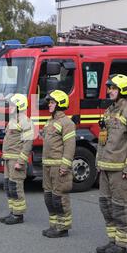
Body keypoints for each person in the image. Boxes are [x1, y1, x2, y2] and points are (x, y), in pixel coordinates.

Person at [96, 74, 127, 253]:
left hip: (120, 170)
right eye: (109, 87)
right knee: (106, 205)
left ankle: (124, 245)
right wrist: (98, 162)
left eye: (113, 88)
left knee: (121, 207)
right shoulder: (109, 111)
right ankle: (113, 241)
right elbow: (103, 139)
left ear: (123, 90)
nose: (109, 91)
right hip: (106, 167)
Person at [41, 90, 76, 238]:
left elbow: (69, 146)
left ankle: (63, 228)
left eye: (52, 102)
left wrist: (64, 166)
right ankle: (54, 225)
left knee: (59, 197)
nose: (49, 105)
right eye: (49, 102)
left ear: (60, 104)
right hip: (47, 165)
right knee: (49, 197)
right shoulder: (50, 121)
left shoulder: (67, 123)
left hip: (58, 166)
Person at [0, 94, 34, 225]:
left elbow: (27, 143)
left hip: (16, 159)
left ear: (20, 106)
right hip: (9, 158)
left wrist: (21, 161)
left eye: (13, 105)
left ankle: (18, 215)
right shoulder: (13, 120)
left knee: (15, 186)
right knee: (8, 186)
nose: (10, 107)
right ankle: (13, 211)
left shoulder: (25, 121)